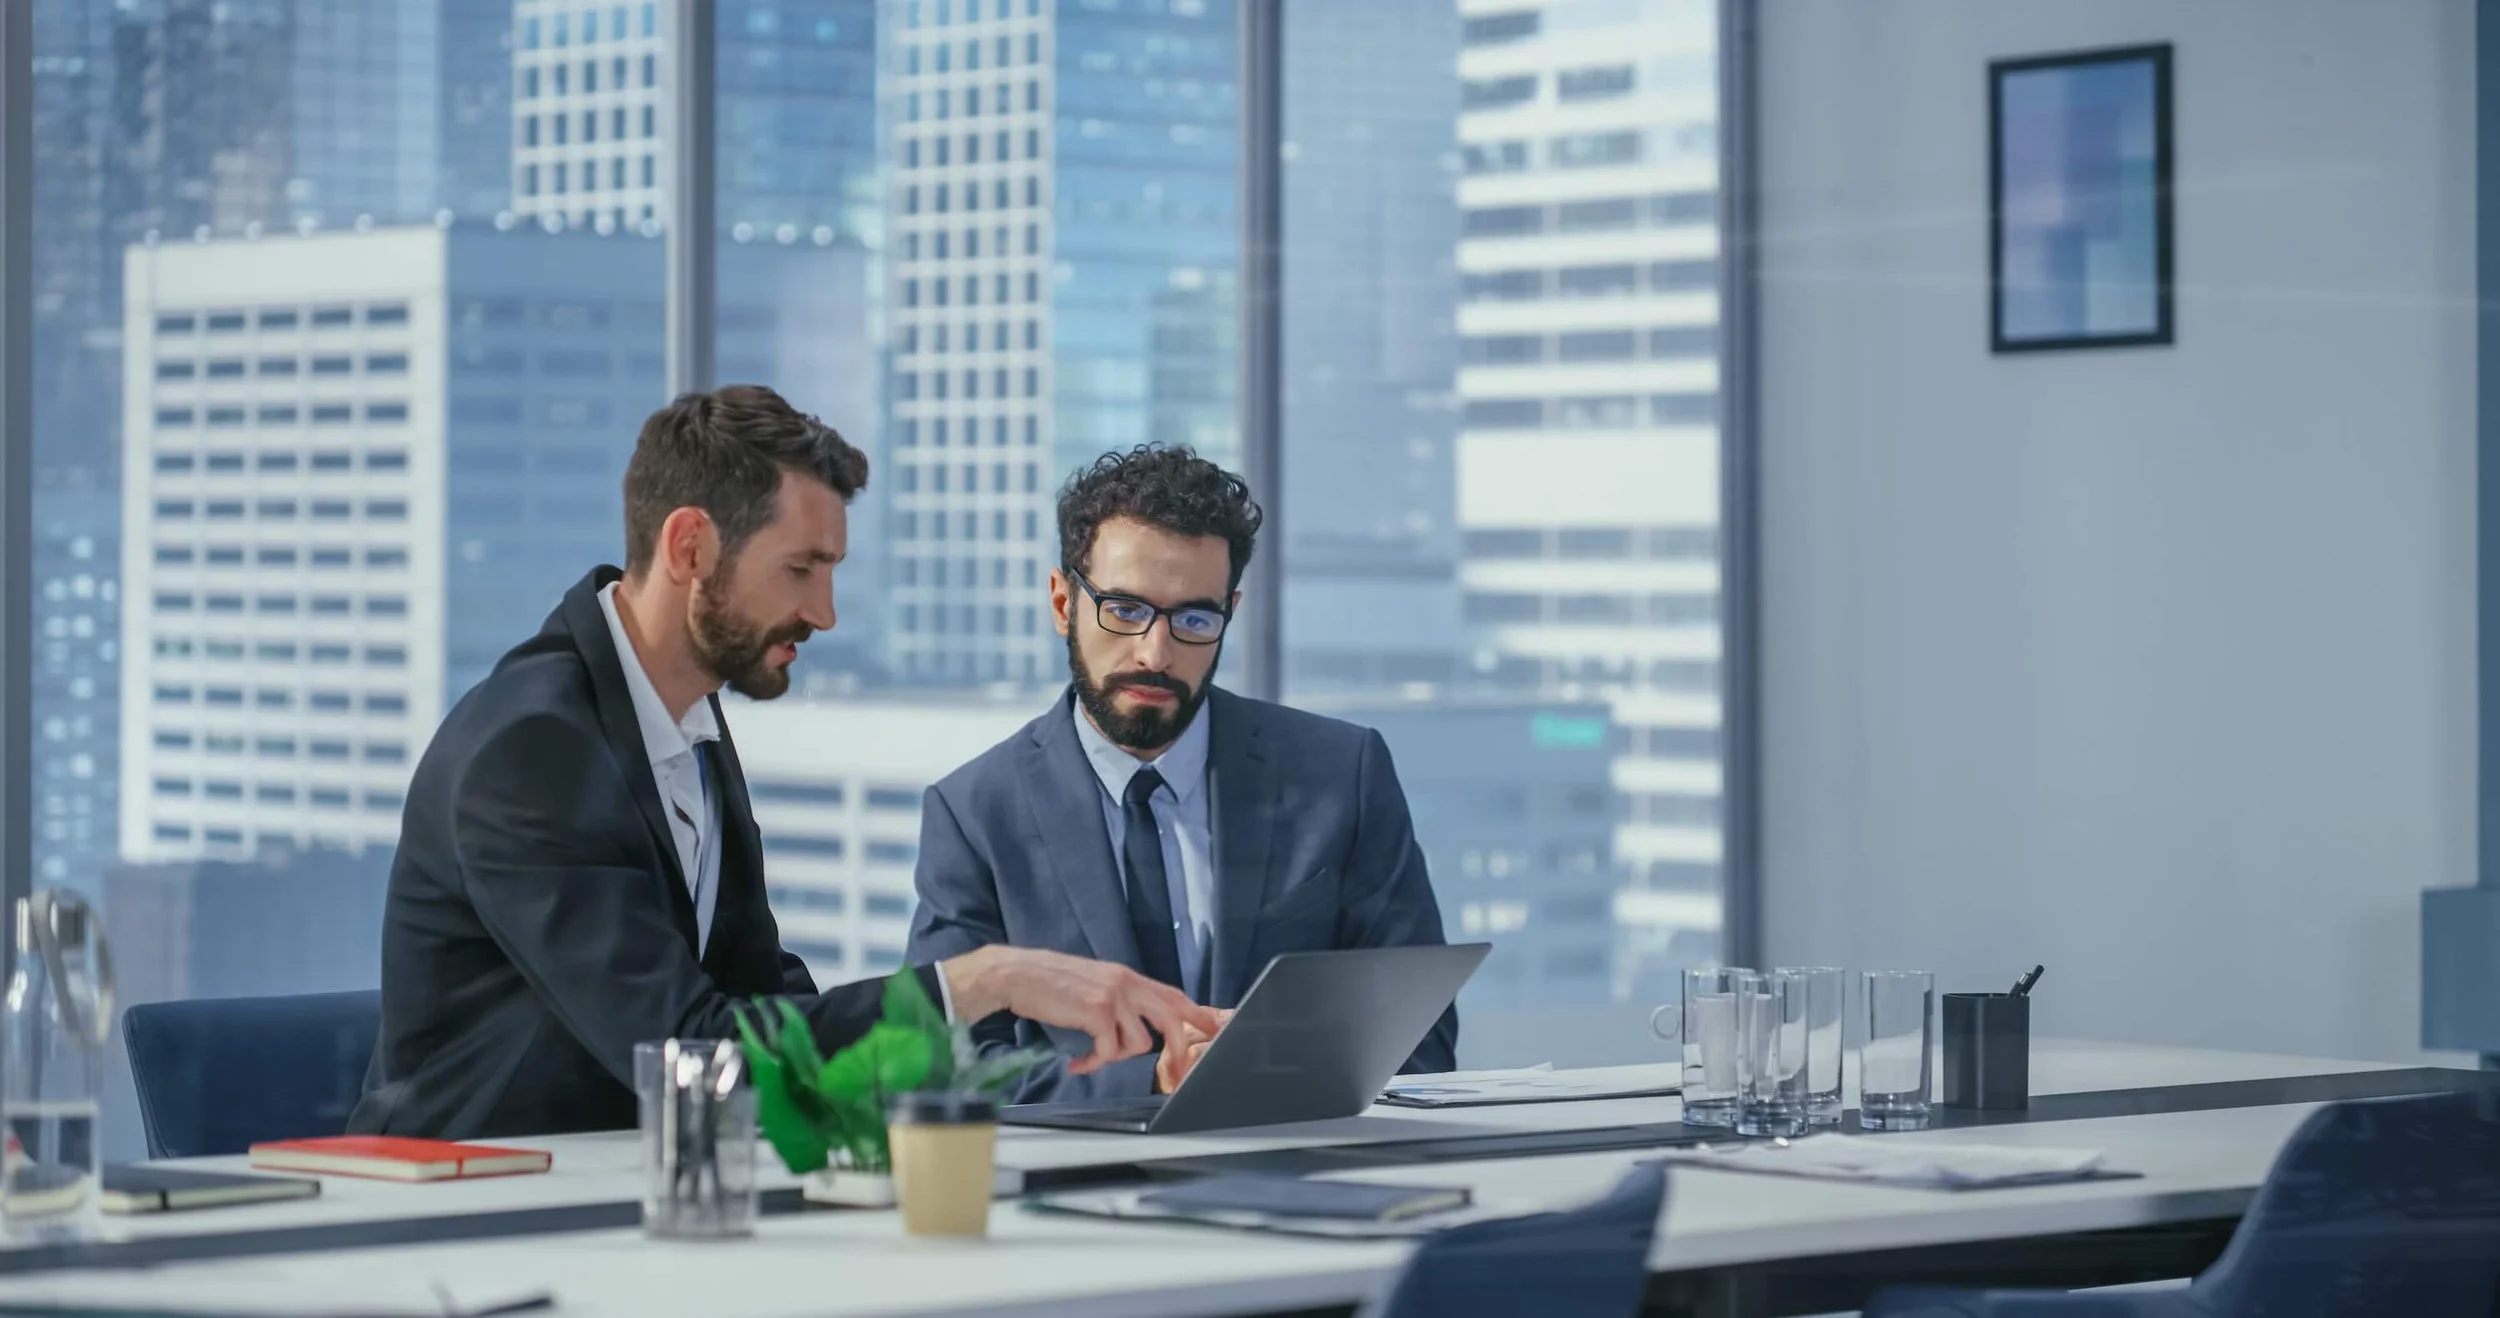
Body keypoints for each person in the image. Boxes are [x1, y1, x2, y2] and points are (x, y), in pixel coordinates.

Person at [352, 387, 1218, 1140]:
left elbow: (764, 998)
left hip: (640, 1184)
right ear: (690, 548)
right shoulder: (531, 750)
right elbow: (691, 1052)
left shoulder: (685, 718)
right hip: (478, 1205)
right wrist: (987, 978)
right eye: (800, 568)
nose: (825, 612)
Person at [904, 444, 1457, 1103]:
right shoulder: (975, 813)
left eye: (1195, 618)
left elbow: (1418, 1042)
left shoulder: (1343, 776)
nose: (1156, 653)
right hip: (1080, 1191)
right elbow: (947, 1069)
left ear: (1230, 612)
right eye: (1125, 610)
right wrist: (1152, 1082)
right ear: (1062, 603)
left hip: (1297, 1179)